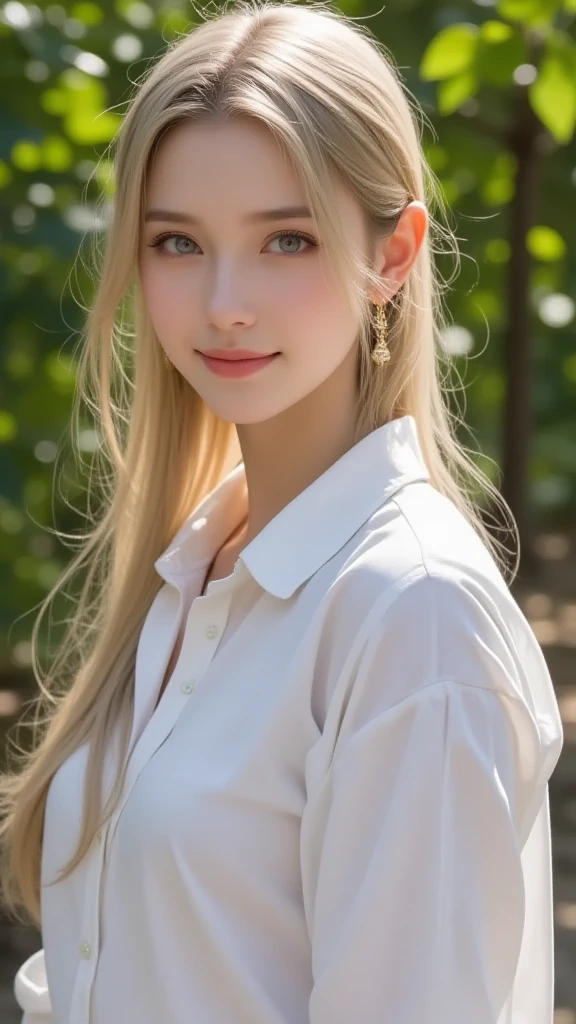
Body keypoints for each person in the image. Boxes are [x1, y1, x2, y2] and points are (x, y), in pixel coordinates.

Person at [0, 2, 564, 1022]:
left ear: (392, 256)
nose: (224, 302)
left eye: (286, 239)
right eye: (177, 242)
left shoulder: (410, 617)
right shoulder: (196, 571)